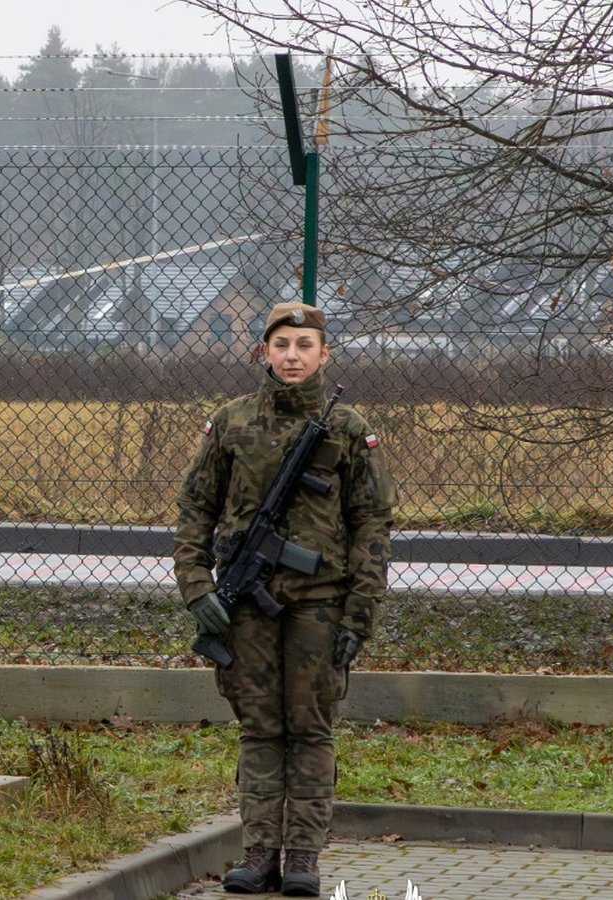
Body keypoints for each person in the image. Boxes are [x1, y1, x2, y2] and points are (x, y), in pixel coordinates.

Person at [172, 302, 394, 896]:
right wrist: (196, 588)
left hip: (320, 604)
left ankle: (303, 860)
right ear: (262, 352)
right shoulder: (232, 422)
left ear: (325, 353)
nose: (292, 356)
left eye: (304, 345)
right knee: (260, 729)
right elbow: (196, 509)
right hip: (246, 608)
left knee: (312, 729)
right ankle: (260, 854)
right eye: (281, 345)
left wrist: (361, 612)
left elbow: (373, 524)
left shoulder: (346, 429)